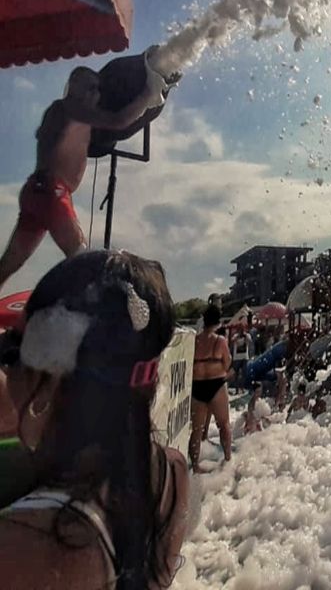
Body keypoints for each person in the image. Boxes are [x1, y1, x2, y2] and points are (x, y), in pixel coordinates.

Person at [0, 250, 189, 589]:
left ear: (52, 377)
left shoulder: (24, 543)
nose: (4, 369)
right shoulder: (171, 474)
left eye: (11, 351)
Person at [0, 57, 169, 293]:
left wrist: (152, 104)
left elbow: (120, 127)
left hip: (37, 191)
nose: (96, 94)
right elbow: (119, 121)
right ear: (74, 86)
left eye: (97, 89)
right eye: (90, 87)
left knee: (9, 264)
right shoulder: (68, 107)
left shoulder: (70, 114)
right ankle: (83, 318)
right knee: (82, 259)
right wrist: (148, 95)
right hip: (51, 191)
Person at [190, 305, 232, 472]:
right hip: (216, 385)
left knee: (196, 429)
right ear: (217, 322)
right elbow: (227, 363)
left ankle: (195, 466)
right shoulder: (220, 341)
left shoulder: (195, 341)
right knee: (224, 424)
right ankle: (228, 460)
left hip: (198, 385)